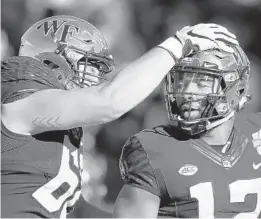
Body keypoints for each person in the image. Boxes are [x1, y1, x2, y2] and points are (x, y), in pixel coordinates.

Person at [1, 14, 238, 218]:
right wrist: (178, 45)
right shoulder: (21, 99)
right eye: (88, 65)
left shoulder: (54, 125)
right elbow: (110, 101)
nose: (94, 77)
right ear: (53, 61)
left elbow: (70, 208)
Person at [113, 38, 261, 218]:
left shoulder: (255, 132)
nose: (187, 93)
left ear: (234, 89)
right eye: (181, 82)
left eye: (202, 82)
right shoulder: (156, 149)